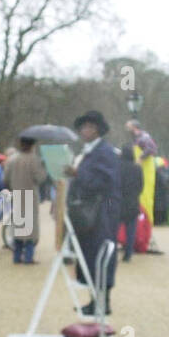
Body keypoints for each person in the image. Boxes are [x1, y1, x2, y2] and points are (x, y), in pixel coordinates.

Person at [65, 110, 121, 316]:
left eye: (88, 127)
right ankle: (95, 300)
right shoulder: (92, 151)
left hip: (103, 211)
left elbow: (104, 182)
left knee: (100, 255)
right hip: (92, 211)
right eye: (83, 127)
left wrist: (78, 173)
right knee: (89, 254)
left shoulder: (104, 152)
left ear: (97, 129)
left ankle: (102, 302)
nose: (84, 131)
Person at [2, 137, 47, 264]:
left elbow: (5, 179)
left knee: (18, 227)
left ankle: (16, 256)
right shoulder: (34, 160)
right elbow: (40, 178)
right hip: (30, 196)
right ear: (32, 146)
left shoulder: (12, 160)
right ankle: (28, 257)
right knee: (30, 230)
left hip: (17, 195)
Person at [119, 151, 144, 261]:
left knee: (113, 229)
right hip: (133, 202)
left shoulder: (118, 167)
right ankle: (128, 253)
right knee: (131, 230)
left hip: (119, 201)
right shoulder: (138, 169)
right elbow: (141, 185)